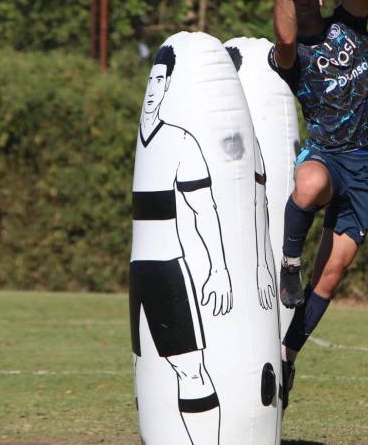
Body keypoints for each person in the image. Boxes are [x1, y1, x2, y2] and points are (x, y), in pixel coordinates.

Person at [268, 0, 368, 406]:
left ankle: (288, 354)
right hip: (328, 154)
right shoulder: (290, 53)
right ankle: (289, 262)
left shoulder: (349, 23)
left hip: (367, 164)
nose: (303, 3)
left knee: (331, 276)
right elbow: (282, 38)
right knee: (308, 184)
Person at [130, 45, 233, 444]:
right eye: (150, 79)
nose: (154, 88)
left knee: (190, 369)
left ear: (170, 85)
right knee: (149, 367)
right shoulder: (142, 141)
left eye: (160, 80)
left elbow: (204, 210)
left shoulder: (181, 141)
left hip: (167, 270)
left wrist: (218, 269)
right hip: (138, 270)